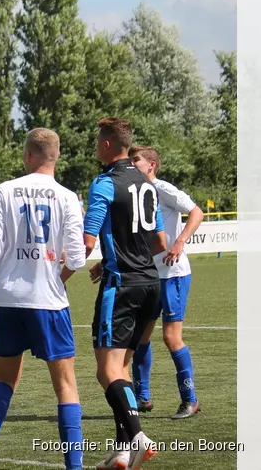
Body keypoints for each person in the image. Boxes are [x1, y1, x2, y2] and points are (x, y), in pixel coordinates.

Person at [0, 128, 87, 470]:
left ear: (28, 156)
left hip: (7, 300)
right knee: (66, 386)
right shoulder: (68, 197)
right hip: (49, 303)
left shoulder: (5, 191)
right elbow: (76, 259)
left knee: (5, 379)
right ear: (56, 156)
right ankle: (74, 466)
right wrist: (53, 278)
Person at [84, 118, 167, 470]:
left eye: (96, 141)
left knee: (106, 371)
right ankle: (121, 452)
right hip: (152, 284)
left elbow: (87, 240)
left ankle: (138, 436)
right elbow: (160, 242)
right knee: (121, 368)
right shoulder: (148, 185)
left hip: (122, 288)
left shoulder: (104, 183)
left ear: (106, 145)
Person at [129, 146, 203, 419]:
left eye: (136, 159)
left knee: (171, 337)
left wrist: (180, 242)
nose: (131, 163)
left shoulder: (163, 189)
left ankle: (190, 400)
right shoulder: (135, 193)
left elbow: (196, 212)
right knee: (140, 338)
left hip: (173, 274)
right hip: (149, 275)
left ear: (152, 165)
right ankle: (143, 398)